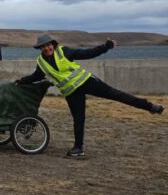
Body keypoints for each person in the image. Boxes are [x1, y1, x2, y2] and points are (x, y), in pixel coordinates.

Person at [16, 33, 164, 157]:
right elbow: (36, 76)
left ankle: (150, 106)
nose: (47, 48)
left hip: (87, 82)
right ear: (40, 49)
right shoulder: (41, 62)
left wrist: (105, 47)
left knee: (117, 95)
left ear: (53, 45)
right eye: (43, 47)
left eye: (49, 45)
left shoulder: (64, 51)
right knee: (78, 119)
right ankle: (78, 148)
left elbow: (87, 53)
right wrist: (21, 81)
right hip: (71, 92)